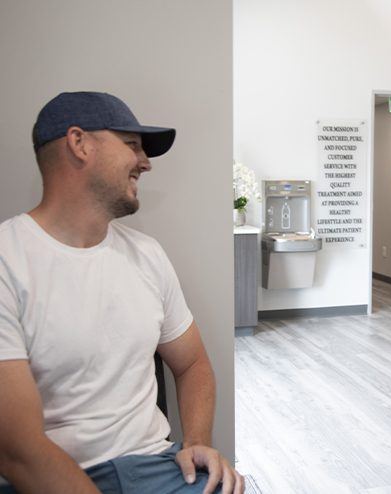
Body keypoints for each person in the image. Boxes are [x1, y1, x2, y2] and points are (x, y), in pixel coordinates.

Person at [0, 92, 244, 494]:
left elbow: (193, 363)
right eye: (132, 145)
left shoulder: (147, 255)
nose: (145, 163)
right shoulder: (10, 263)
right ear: (79, 144)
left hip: (155, 466)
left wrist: (197, 442)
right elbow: (18, 451)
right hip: (49, 478)